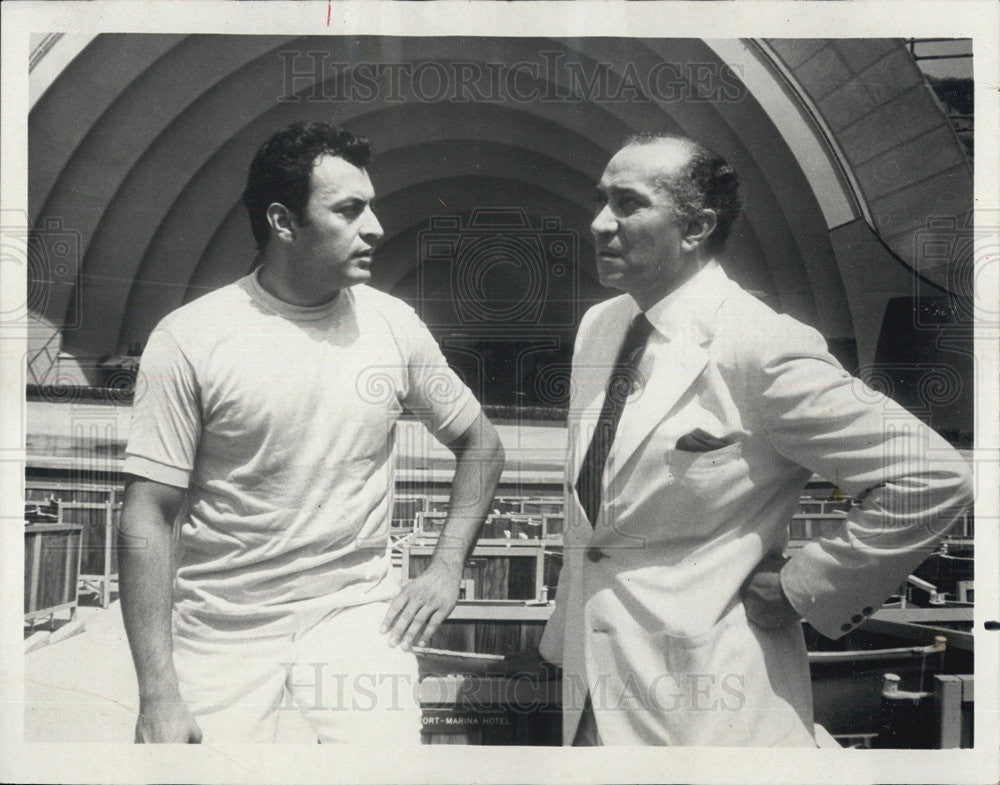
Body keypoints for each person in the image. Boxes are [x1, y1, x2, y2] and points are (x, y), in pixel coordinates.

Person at [536, 133, 974, 746]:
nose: (599, 223)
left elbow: (931, 475)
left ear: (696, 228)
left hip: (710, 702)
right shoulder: (601, 327)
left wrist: (802, 586)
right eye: (601, 199)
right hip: (589, 686)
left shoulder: (762, 345)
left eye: (628, 203)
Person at [118, 122, 504, 744]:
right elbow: (147, 516)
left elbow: (481, 444)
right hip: (223, 626)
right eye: (350, 210)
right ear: (283, 221)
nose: (375, 226)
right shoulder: (190, 338)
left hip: (355, 618)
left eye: (370, 207)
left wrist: (445, 566)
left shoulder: (392, 326)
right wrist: (157, 693)